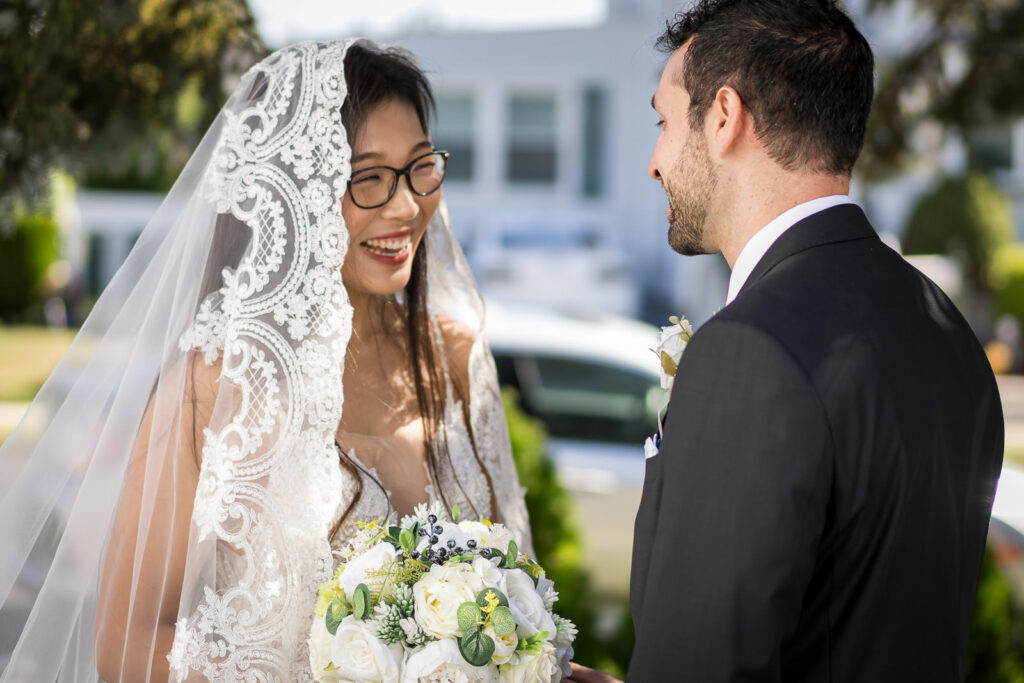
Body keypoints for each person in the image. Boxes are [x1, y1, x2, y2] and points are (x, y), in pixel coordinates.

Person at [0, 39, 530, 682]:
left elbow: (511, 583)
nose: (407, 206)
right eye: (367, 179)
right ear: (294, 192)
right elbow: (127, 641)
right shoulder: (216, 389)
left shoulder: (456, 353)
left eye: (421, 166)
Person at [569, 1, 1004, 681]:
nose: (654, 163)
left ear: (722, 116)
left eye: (662, 121)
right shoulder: (947, 333)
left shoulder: (750, 352)